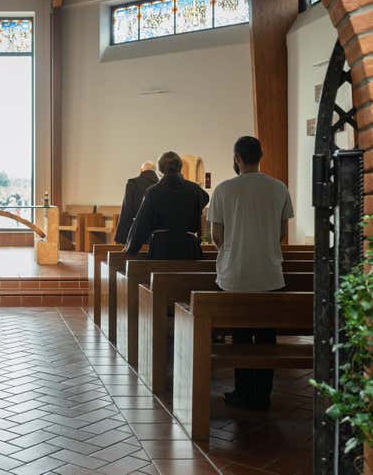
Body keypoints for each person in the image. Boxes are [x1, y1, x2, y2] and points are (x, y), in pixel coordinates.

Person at [208, 136, 294, 411]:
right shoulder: (279, 188)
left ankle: (243, 392)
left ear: (237, 158)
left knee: (241, 336)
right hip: (270, 273)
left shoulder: (223, 190)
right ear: (261, 156)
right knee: (267, 335)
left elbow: (216, 236)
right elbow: (281, 232)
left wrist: (234, 249)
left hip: (235, 275)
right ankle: (263, 394)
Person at [124, 151, 209, 259]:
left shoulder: (153, 192)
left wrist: (131, 249)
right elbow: (205, 198)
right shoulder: (195, 190)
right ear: (180, 167)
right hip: (188, 249)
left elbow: (141, 223)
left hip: (162, 249)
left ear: (160, 170)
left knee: (161, 276)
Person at [114, 161, 159, 244]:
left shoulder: (133, 183)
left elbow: (127, 209)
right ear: (154, 171)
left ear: (141, 170)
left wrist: (122, 237)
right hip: (155, 233)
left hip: (136, 230)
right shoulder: (160, 184)